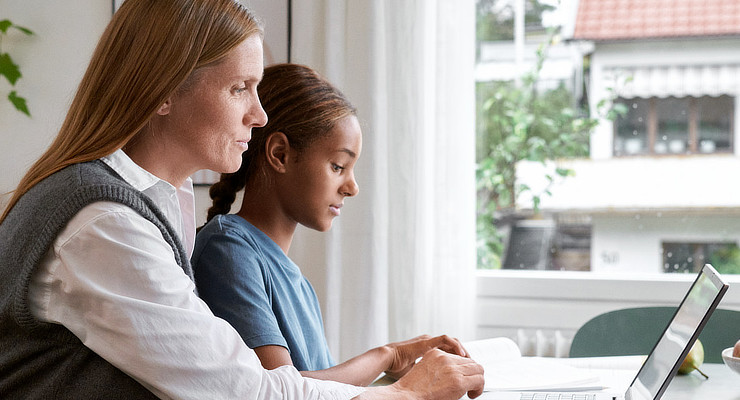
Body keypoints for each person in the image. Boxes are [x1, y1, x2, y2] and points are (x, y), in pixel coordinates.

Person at [0, 0, 484, 399]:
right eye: (239, 89)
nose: (258, 114)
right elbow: (245, 391)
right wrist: (410, 394)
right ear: (163, 91)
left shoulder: (149, 206)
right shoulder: (103, 224)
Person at [192, 63, 474, 387]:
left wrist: (391, 368)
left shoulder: (299, 285)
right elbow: (281, 389)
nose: (352, 187)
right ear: (280, 154)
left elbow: (323, 391)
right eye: (338, 166)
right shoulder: (228, 250)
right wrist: (386, 355)